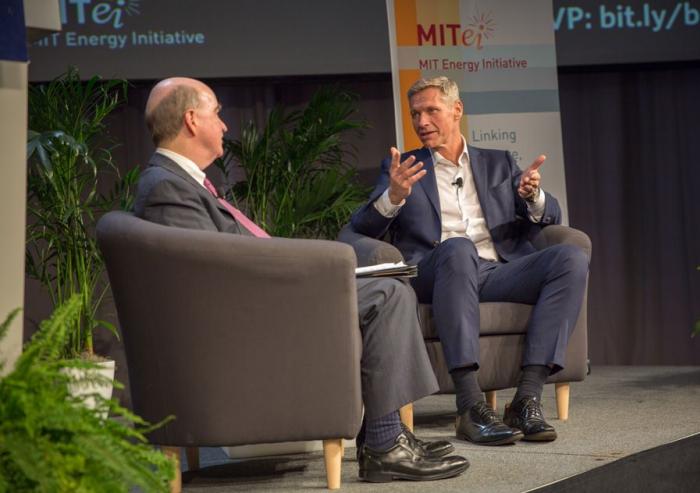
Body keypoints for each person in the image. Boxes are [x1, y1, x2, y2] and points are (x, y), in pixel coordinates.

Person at [133, 77, 469, 482]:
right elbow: (209, 276)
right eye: (217, 113)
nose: (224, 125)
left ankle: (388, 436)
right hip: (250, 318)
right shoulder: (167, 187)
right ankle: (384, 445)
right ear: (191, 120)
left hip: (262, 300)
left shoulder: (178, 181)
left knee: (389, 286)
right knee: (387, 295)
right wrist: (304, 272)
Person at [351, 76, 589, 445]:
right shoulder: (402, 166)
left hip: (496, 270)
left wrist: (533, 195)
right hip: (435, 268)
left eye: (432, 110)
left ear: (457, 110)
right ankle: (470, 404)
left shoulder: (497, 162)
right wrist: (394, 196)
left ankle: (526, 398)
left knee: (570, 258)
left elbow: (549, 216)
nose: (422, 121)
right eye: (416, 113)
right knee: (459, 248)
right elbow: (362, 225)